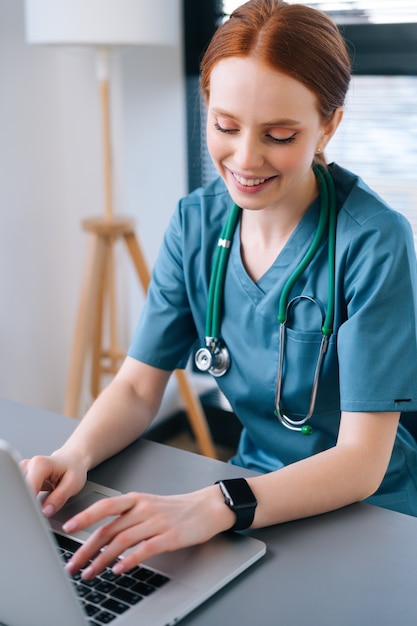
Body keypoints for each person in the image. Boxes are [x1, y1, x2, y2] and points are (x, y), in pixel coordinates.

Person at [22, 0, 417, 581]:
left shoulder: (374, 243)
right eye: (225, 126)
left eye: (279, 134)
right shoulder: (197, 223)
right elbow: (136, 385)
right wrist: (71, 457)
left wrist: (218, 504)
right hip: (251, 493)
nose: (246, 159)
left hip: (372, 514)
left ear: (329, 124)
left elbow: (361, 461)